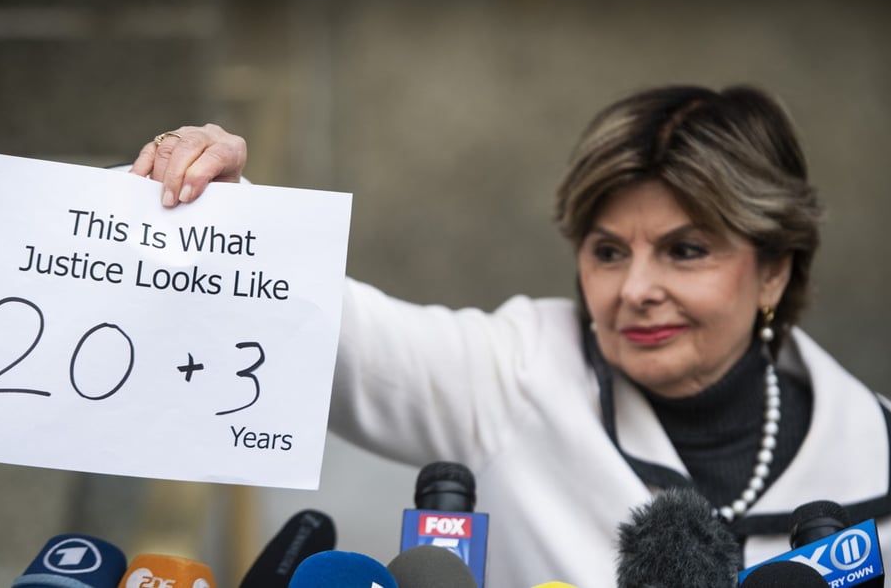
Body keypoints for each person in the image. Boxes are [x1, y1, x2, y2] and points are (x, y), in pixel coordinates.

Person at [129, 85, 891, 587]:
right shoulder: (521, 367)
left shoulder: (876, 441)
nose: (634, 289)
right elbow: (319, 323)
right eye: (608, 251)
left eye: (686, 250)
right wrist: (219, 208)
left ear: (773, 273)